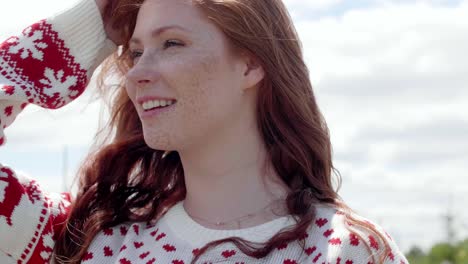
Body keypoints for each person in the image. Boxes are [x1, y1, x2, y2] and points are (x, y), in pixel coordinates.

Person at [0, 0, 408, 263]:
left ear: (250, 64)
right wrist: (95, 21)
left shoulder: (347, 250)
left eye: (172, 44)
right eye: (136, 52)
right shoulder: (83, 241)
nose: (137, 73)